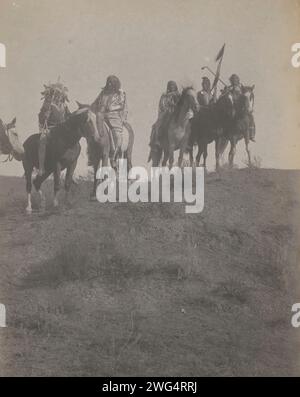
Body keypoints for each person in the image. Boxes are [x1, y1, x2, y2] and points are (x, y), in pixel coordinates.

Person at [91, 75, 127, 163]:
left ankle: (114, 154)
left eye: (111, 83)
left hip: (113, 116)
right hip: (100, 115)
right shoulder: (103, 92)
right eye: (108, 82)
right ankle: (92, 153)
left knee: (117, 136)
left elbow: (122, 105)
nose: (110, 84)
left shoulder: (120, 93)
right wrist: (91, 108)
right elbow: (95, 103)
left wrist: (111, 108)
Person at [38, 81, 70, 176]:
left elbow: (69, 116)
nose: (58, 96)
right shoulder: (48, 104)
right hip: (50, 128)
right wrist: (45, 116)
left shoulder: (64, 106)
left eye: (60, 94)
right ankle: (41, 168)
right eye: (56, 94)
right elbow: (40, 117)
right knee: (42, 140)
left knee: (73, 142)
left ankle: (72, 171)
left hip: (62, 130)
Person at [150, 80, 180, 147]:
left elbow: (180, 104)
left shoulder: (178, 95)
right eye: (170, 86)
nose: (172, 87)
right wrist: (168, 107)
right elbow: (162, 104)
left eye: (173, 86)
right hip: (167, 112)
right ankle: (156, 139)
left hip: (176, 113)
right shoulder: (164, 95)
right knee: (158, 124)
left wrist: (175, 105)